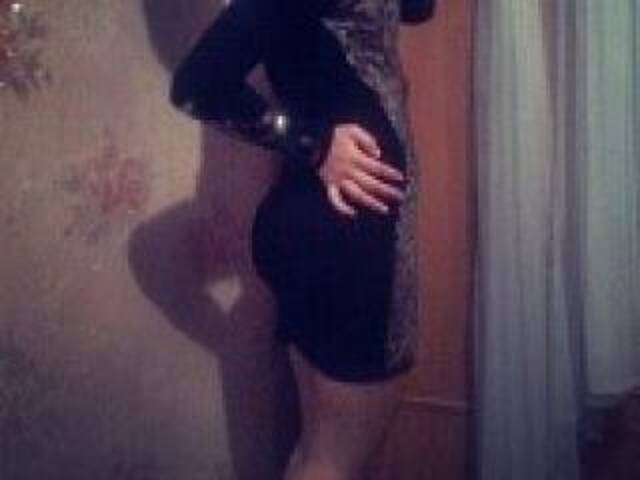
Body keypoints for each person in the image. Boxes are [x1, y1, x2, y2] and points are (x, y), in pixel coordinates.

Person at [169, 1, 436, 478]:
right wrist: (313, 143)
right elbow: (196, 85)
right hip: (349, 234)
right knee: (335, 459)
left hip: (331, 228)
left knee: (318, 451)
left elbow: (417, 9)